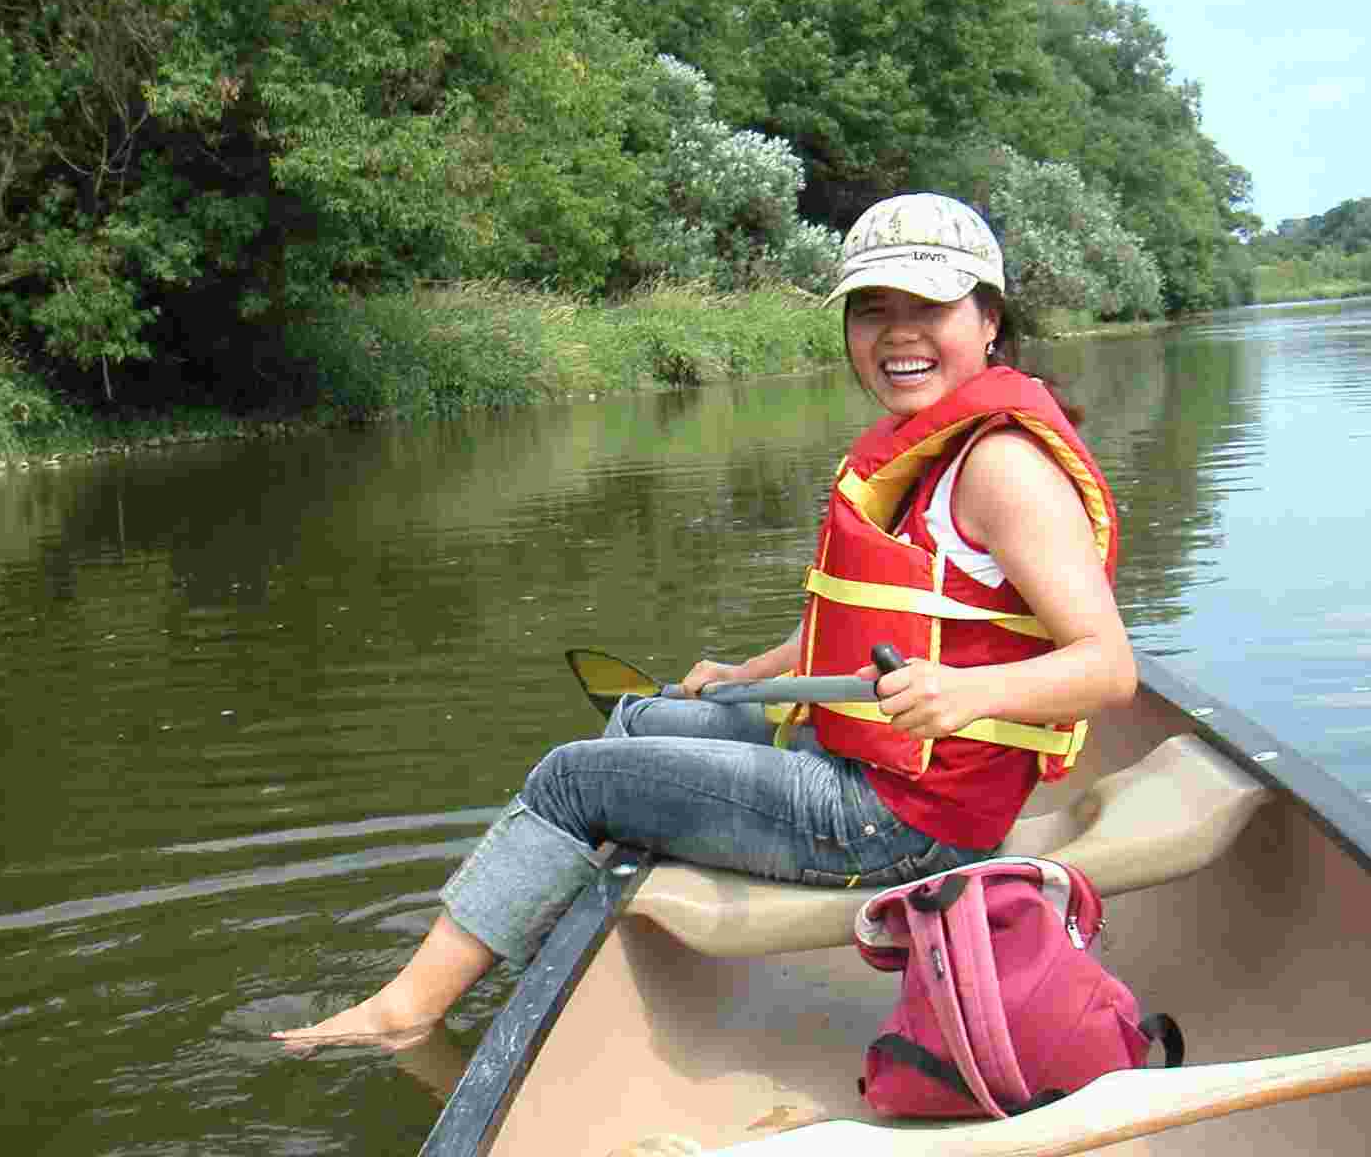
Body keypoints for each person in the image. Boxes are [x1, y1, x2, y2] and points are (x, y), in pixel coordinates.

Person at [271, 193, 1137, 1049]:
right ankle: (536, 921)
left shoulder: (1002, 466)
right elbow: (894, 624)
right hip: (870, 769)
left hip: (907, 825)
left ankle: (401, 1016)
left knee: (573, 777)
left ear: (988, 320)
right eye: (873, 310)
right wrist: (752, 674)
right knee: (644, 715)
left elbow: (1107, 666)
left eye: (930, 307)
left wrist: (961, 692)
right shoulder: (928, 452)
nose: (898, 333)